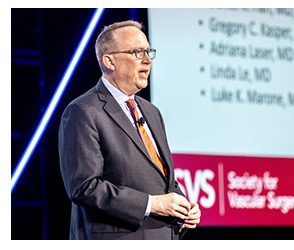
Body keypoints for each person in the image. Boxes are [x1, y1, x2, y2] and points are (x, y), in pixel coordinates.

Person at [58, 20, 200, 240]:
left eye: (149, 52)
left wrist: (183, 207)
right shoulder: (83, 111)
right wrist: (152, 204)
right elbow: (85, 187)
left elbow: (162, 177)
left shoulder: (151, 112)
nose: (147, 60)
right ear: (110, 61)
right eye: (137, 52)